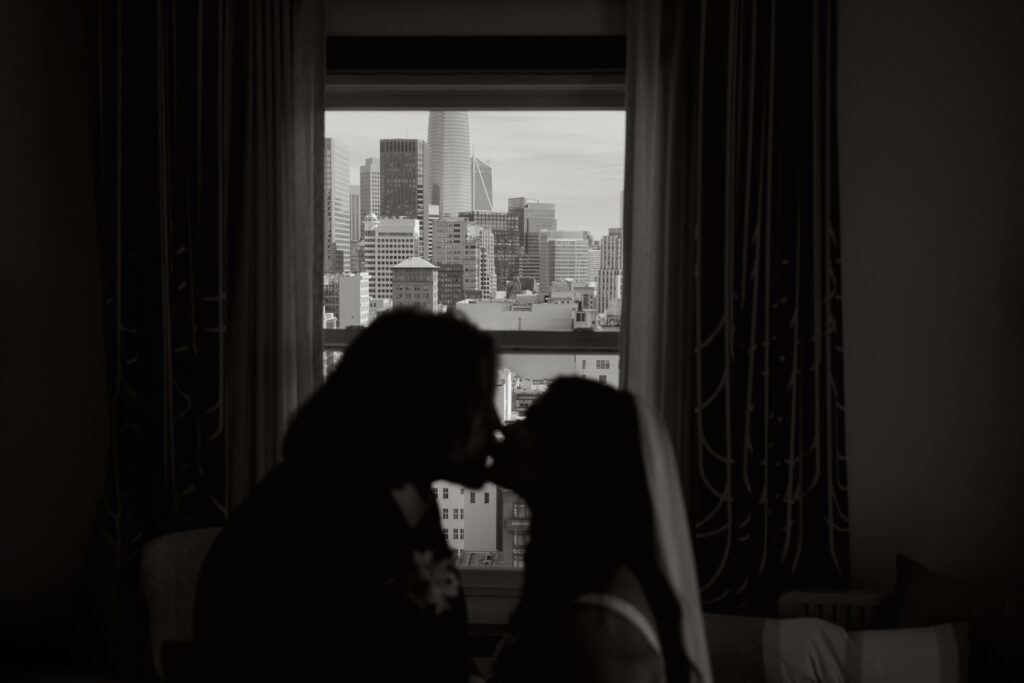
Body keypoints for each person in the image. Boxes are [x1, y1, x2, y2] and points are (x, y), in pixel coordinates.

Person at [189, 310, 499, 682]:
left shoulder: (400, 498)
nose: (497, 424)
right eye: (480, 404)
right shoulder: (323, 520)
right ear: (427, 405)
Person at [486, 377, 713, 683]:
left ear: (569, 457)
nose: (506, 429)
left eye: (531, 423)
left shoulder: (599, 631)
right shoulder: (585, 590)